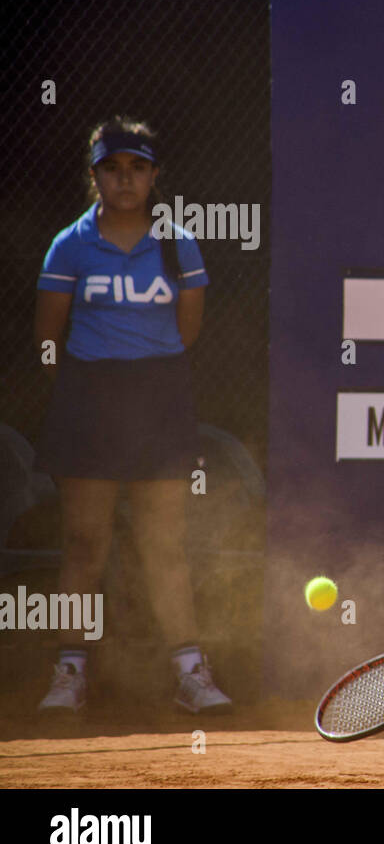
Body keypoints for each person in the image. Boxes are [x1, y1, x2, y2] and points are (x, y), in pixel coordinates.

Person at [32, 116, 232, 715]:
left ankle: (191, 675)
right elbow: (48, 339)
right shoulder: (70, 245)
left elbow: (188, 331)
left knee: (164, 545)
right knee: (84, 543)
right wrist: (85, 389)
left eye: (137, 169)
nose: (125, 180)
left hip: (160, 398)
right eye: (113, 169)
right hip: (88, 401)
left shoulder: (179, 243)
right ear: (95, 176)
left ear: (153, 176)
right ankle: (68, 675)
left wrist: (147, 374)